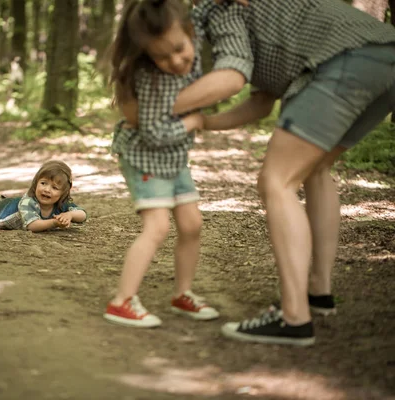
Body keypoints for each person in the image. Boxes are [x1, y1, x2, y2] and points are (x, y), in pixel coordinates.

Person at [166, 0, 395, 345]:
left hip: (344, 60)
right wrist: (203, 122)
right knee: (315, 169)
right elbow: (261, 102)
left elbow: (231, 77)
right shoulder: (261, 13)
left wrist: (158, 107)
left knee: (277, 181)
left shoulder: (217, 7)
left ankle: (293, 318)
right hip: (384, 55)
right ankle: (318, 291)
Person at [103, 0, 219, 328]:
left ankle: (182, 294)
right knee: (158, 227)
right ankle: (121, 301)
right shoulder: (151, 79)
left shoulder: (190, 38)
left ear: (190, 34)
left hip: (175, 157)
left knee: (192, 224)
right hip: (145, 156)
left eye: (180, 49)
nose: (175, 61)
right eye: (162, 56)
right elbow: (152, 133)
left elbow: (204, 14)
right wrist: (192, 122)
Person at [0, 160, 87, 232]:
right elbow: (33, 226)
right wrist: (55, 223)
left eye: (54, 187)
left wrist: (70, 215)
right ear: (36, 182)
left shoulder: (62, 205)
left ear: (63, 193)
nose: (47, 190)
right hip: (1, 215)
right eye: (43, 183)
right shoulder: (29, 202)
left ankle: (1, 202)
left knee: (8, 203)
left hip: (14, 205)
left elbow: (83, 215)